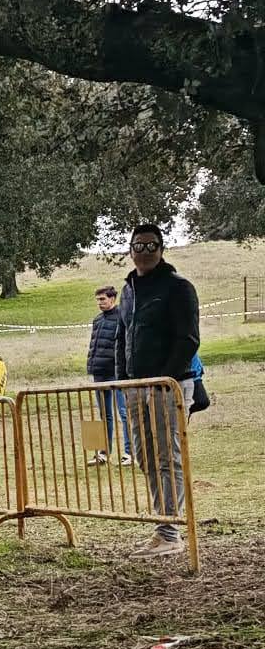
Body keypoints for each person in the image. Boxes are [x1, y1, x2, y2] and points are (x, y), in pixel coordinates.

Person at [115, 224, 200, 555]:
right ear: (130, 249)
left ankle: (169, 532)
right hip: (135, 388)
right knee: (143, 454)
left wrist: (164, 380)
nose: (144, 251)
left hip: (168, 386)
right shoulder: (129, 291)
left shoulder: (178, 288)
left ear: (161, 250)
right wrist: (123, 382)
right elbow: (124, 336)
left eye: (151, 246)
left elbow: (188, 339)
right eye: (138, 245)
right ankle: (162, 525)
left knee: (168, 456)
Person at [86, 283, 131, 461]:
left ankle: (129, 452)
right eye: (97, 300)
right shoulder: (97, 320)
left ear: (112, 299)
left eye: (102, 299)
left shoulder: (122, 317)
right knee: (103, 414)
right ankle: (102, 452)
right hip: (99, 372)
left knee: (124, 412)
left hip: (117, 372)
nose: (99, 303)